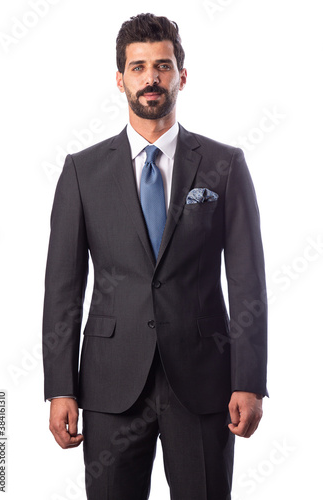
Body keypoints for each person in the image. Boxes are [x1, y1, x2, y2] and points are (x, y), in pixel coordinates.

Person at [42, 13, 268, 500]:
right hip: (109, 385)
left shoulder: (224, 166)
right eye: (139, 67)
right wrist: (61, 386)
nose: (151, 78)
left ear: (181, 76)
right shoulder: (82, 172)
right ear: (120, 78)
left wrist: (249, 381)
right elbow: (63, 288)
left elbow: (248, 281)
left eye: (162, 66)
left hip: (204, 383)